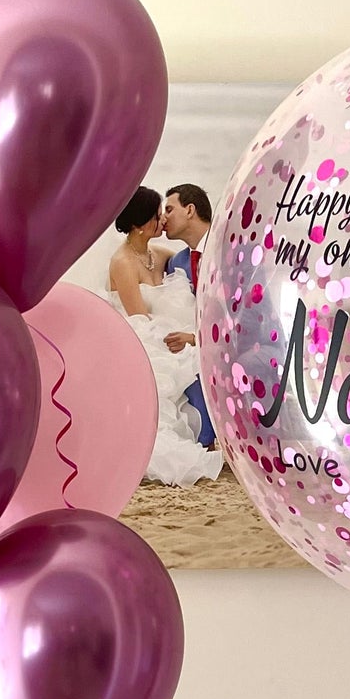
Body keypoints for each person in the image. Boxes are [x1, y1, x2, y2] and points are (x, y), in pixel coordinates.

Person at [106, 186, 222, 486]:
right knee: (176, 377)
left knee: (195, 364)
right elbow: (138, 318)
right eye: (158, 215)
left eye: (165, 212)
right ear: (139, 223)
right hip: (143, 338)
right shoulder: (122, 262)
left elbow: (196, 263)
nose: (162, 221)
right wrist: (179, 340)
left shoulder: (160, 255)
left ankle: (208, 431)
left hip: (172, 334)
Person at [160, 185, 217, 450]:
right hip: (195, 346)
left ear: (190, 210)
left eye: (169, 209)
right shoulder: (177, 263)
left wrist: (196, 340)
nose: (163, 219)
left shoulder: (228, 251)